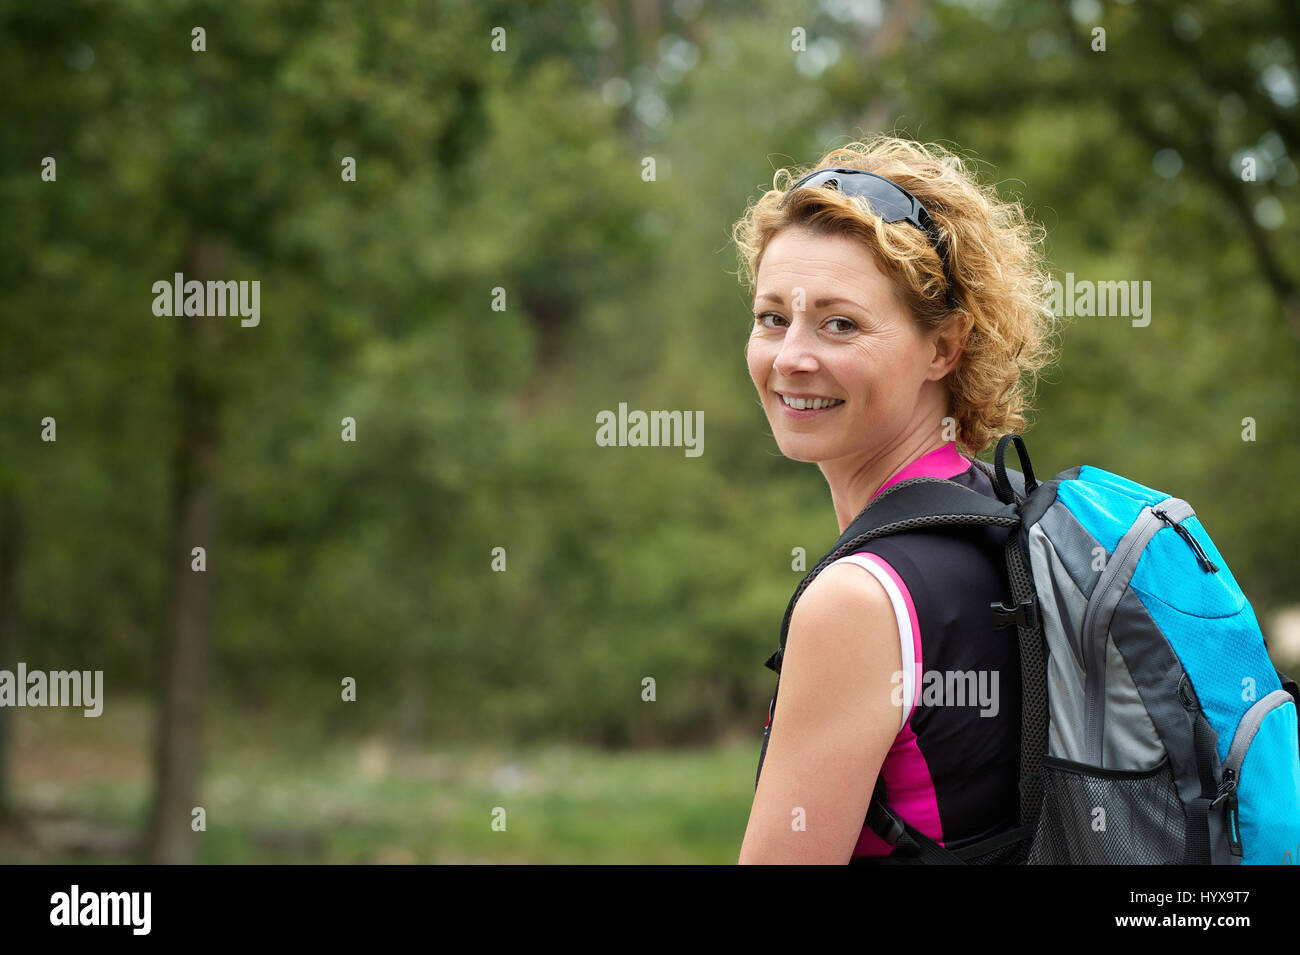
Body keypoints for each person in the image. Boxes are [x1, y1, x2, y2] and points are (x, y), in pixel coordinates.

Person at [731, 135, 1061, 864]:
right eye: (771, 317)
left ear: (943, 348)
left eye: (839, 322)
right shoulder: (1014, 521)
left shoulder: (857, 601)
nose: (790, 357)